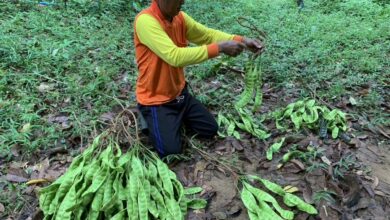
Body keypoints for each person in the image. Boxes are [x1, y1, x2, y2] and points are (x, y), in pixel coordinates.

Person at [134, 0, 264, 157]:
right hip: (156, 100)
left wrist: (242, 40)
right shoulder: (146, 21)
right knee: (170, 152)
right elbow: (174, 56)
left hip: (180, 95)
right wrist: (220, 48)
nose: (182, 2)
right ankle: (149, 117)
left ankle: (173, 120)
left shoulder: (179, 18)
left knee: (209, 129)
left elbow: (207, 35)